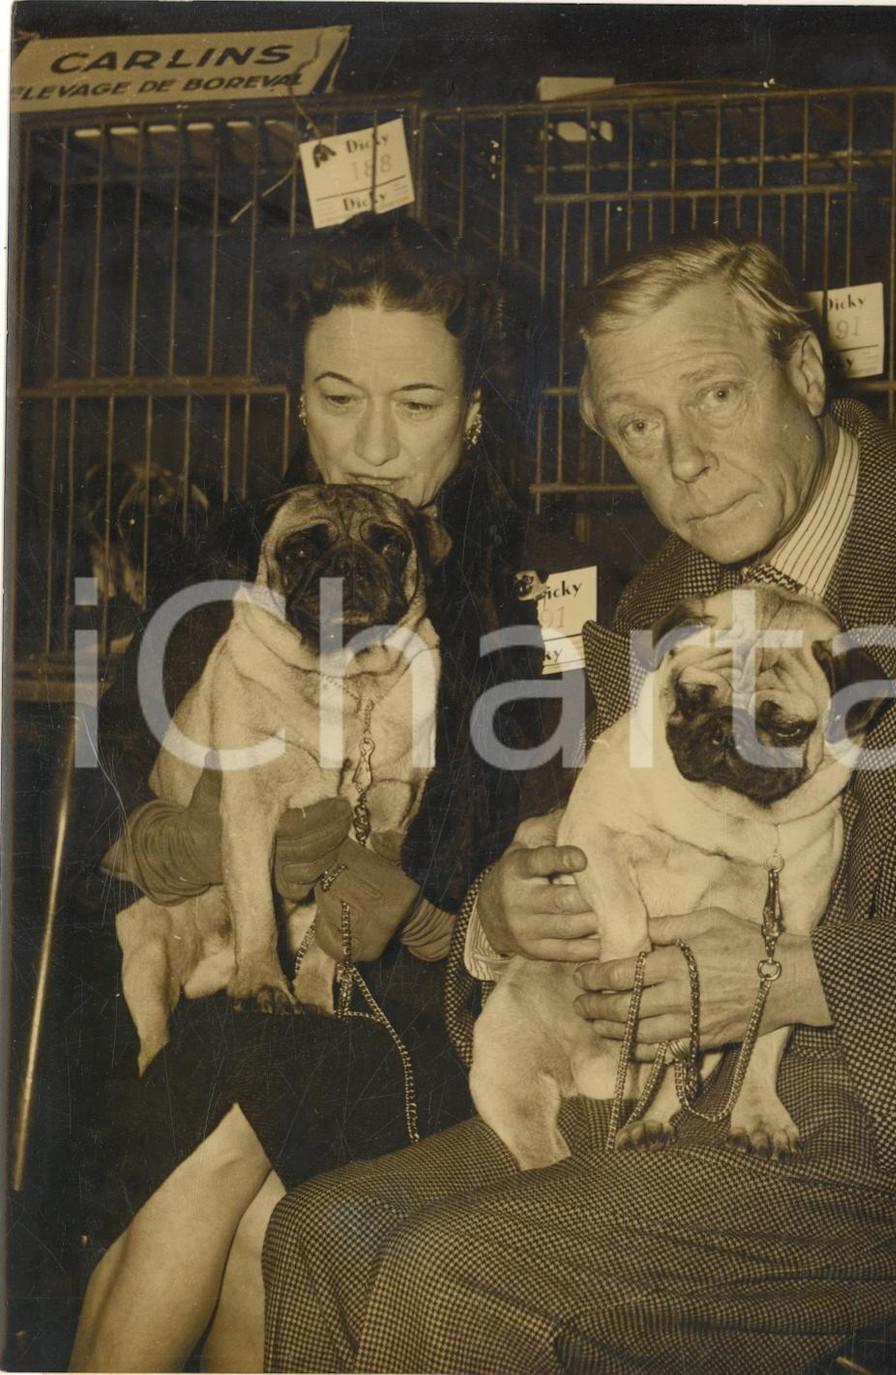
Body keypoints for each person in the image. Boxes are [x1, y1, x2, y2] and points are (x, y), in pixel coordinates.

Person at [262, 235, 896, 1375]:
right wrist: (502, 917)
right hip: (647, 1088)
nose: (684, 460)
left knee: (443, 1278)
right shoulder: (655, 604)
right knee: (319, 1234)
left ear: (803, 372)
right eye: (639, 427)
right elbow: (563, 861)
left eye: (714, 395)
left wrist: (790, 977)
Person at [69, 212, 549, 1373]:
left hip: (423, 1017)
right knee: (234, 1166)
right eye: (338, 397)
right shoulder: (239, 560)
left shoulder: (528, 605)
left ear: (476, 412)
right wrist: (207, 846)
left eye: (418, 404)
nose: (372, 444)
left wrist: (395, 888)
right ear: (297, 401)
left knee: (239, 1169)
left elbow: (499, 880)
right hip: (221, 968)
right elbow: (116, 831)